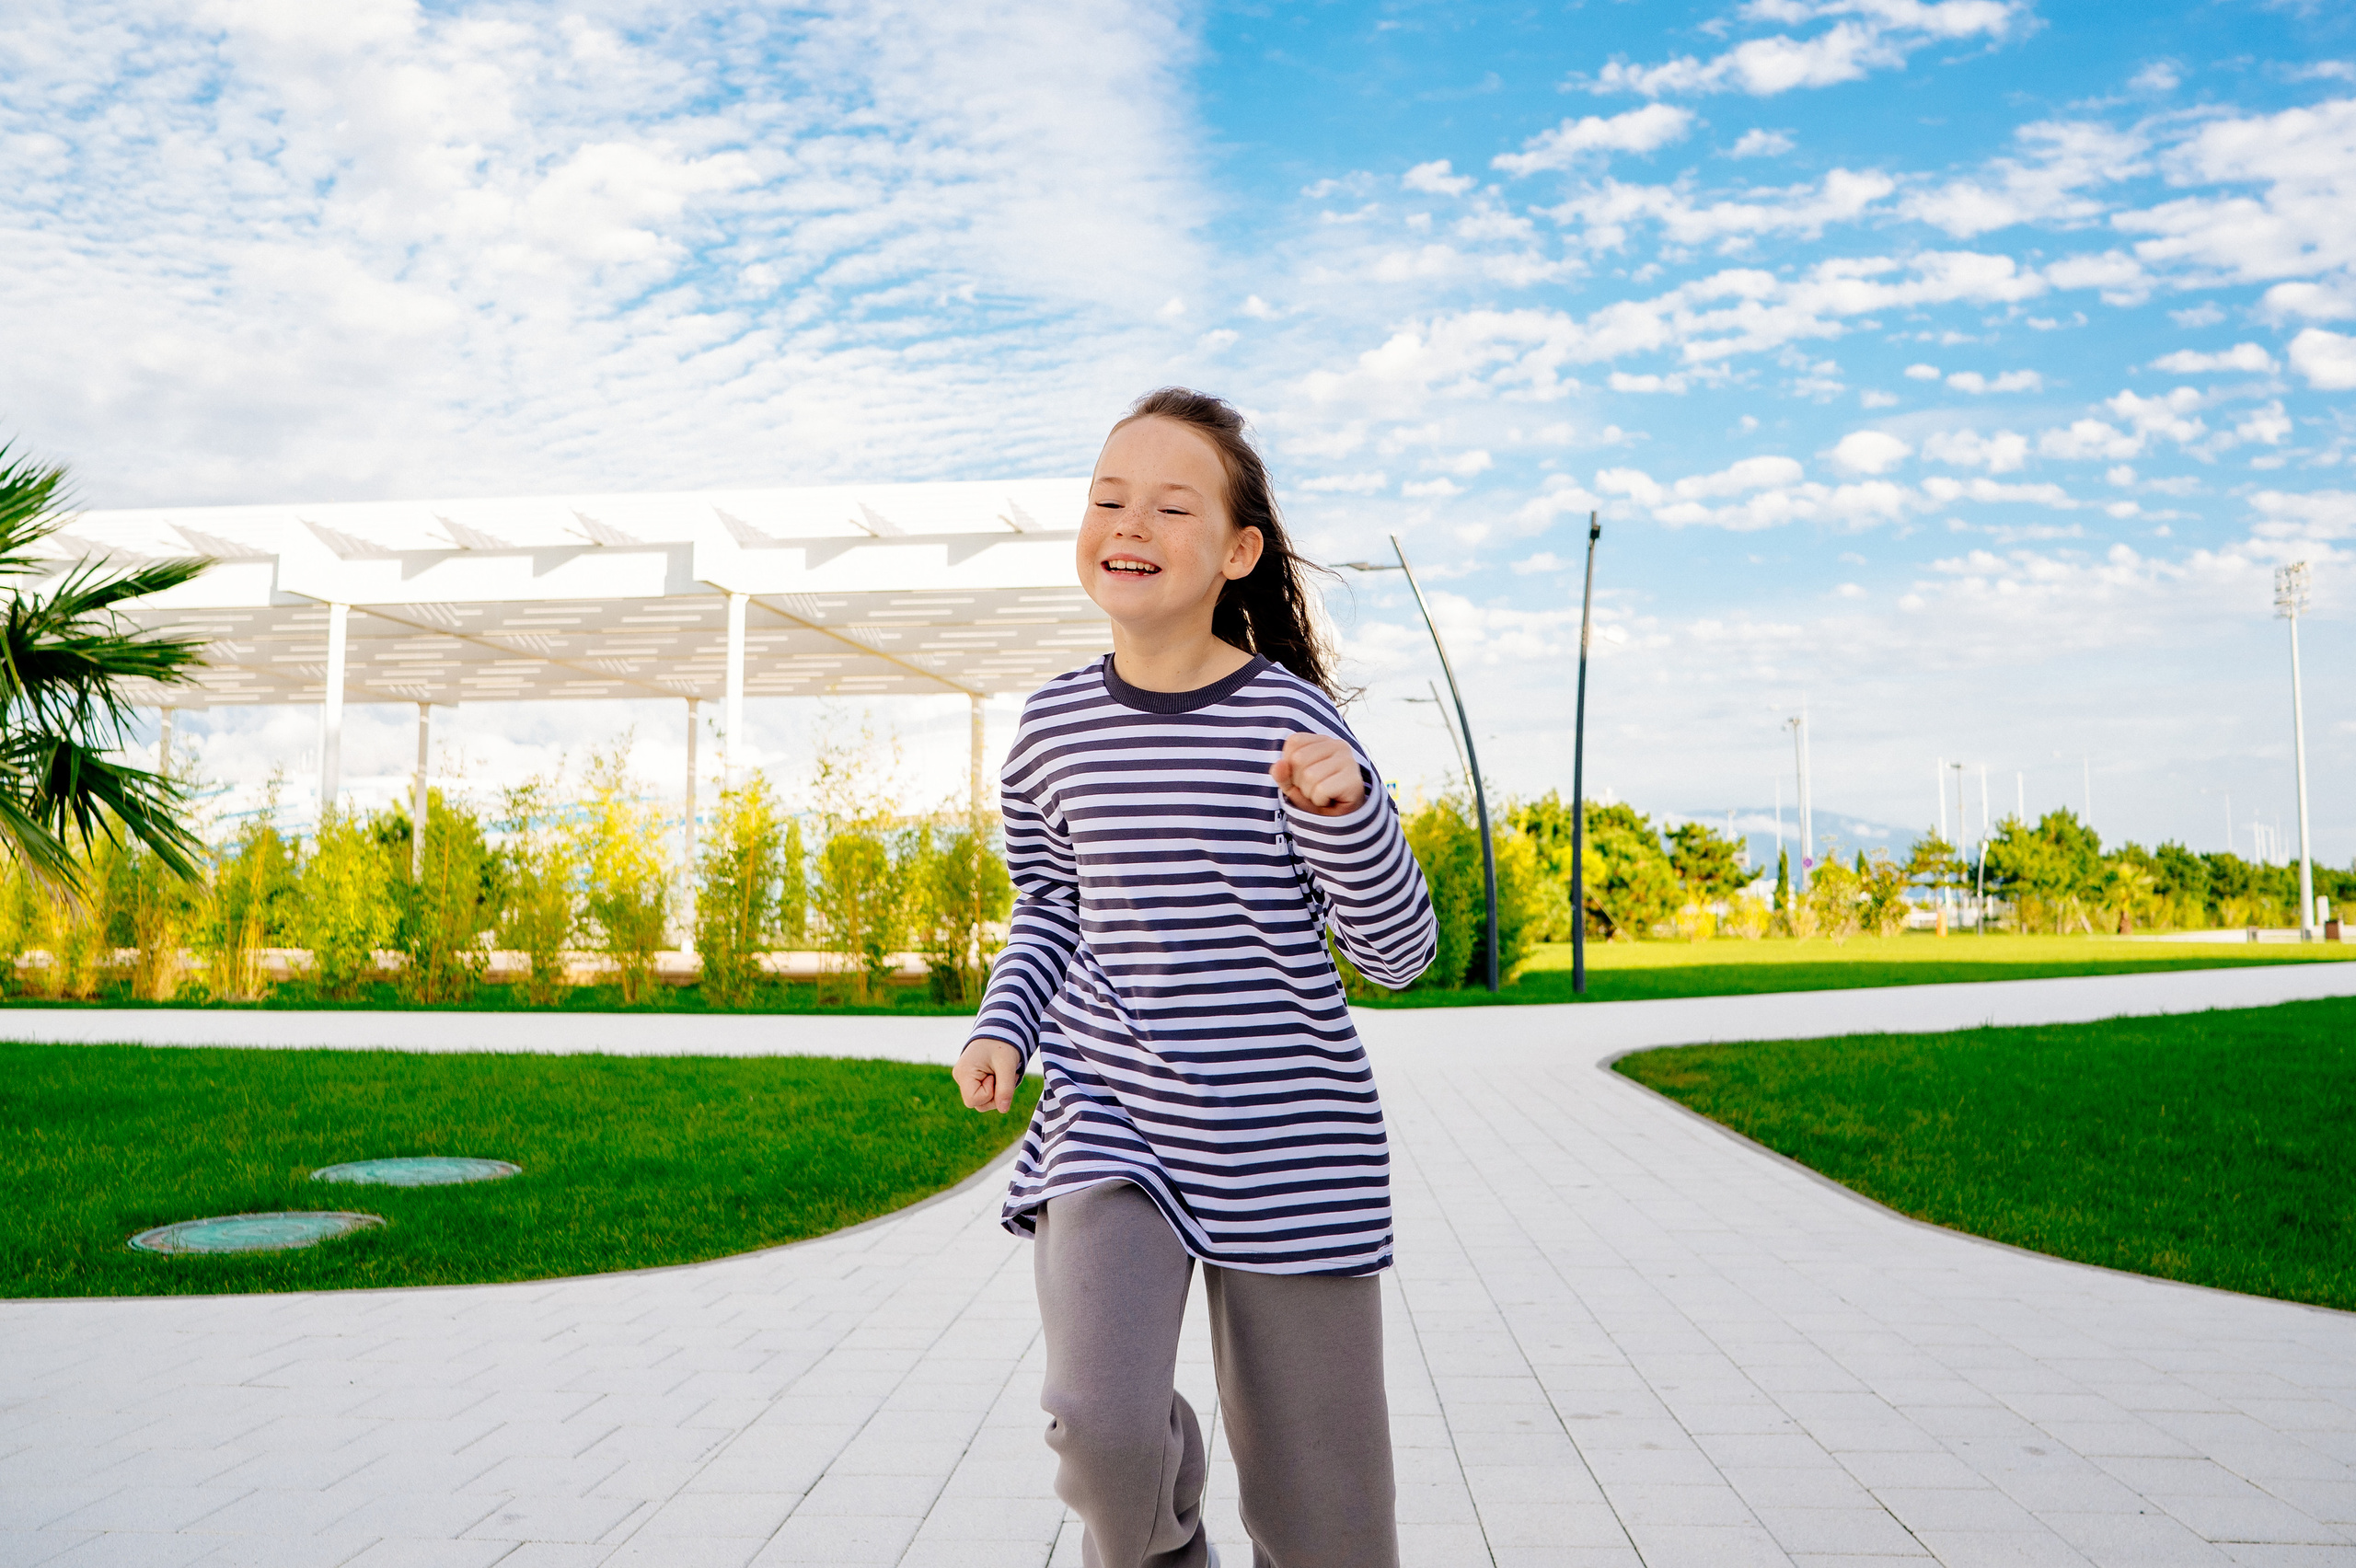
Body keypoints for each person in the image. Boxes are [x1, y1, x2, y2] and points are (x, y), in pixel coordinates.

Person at [953, 386, 1439, 1568]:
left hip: (1292, 1134)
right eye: (1107, 499)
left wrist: (1350, 817)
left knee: (1326, 1522)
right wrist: (1003, 1027)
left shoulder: (1292, 722)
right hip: (1109, 1118)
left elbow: (1398, 955)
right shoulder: (1054, 727)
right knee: (1100, 1426)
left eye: (1172, 507)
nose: (1129, 523)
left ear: (1237, 553)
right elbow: (1049, 905)